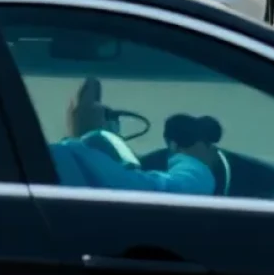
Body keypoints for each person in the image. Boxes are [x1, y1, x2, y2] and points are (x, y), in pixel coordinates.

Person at [48, 78, 217, 195]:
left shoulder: (44, 159)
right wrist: (193, 160)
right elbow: (175, 195)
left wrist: (86, 141)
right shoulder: (66, 157)